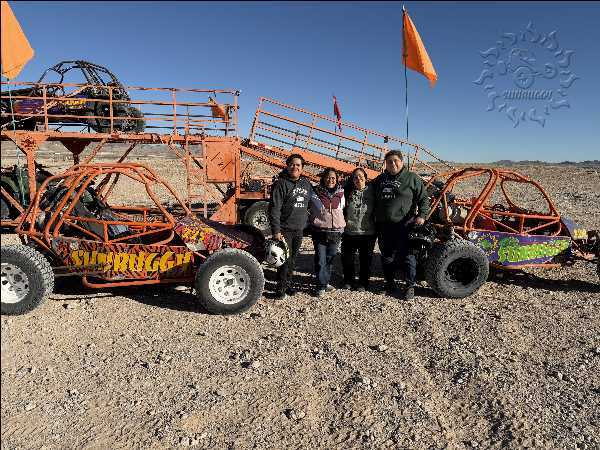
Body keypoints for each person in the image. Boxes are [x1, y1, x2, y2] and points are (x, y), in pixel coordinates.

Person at [372, 150, 430, 300]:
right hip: (384, 225)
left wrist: (422, 216)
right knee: (387, 256)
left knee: (408, 256)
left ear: (402, 162)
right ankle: (390, 283)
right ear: (386, 164)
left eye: (395, 161)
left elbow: (424, 199)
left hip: (405, 225)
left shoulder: (412, 178)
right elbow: (368, 191)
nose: (392, 164)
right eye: (389, 161)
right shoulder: (381, 178)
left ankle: (410, 286)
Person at [268, 153, 313, 300]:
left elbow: (312, 202)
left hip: (299, 229)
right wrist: (276, 230)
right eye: (292, 164)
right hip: (284, 230)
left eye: (298, 165)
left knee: (292, 259)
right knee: (284, 259)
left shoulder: (306, 184)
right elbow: (274, 208)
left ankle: (288, 285)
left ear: (302, 168)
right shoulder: (281, 184)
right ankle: (280, 288)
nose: (295, 167)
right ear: (287, 166)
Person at [308, 168, 346, 297]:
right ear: (323, 178)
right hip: (319, 231)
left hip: (336, 232)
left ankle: (326, 282)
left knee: (330, 258)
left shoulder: (341, 192)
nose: (330, 180)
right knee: (320, 259)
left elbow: (342, 209)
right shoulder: (315, 192)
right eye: (328, 177)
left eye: (333, 178)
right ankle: (321, 285)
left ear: (337, 179)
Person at [341, 167, 376, 292]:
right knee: (347, 259)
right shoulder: (347, 192)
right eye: (355, 177)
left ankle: (363, 282)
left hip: (367, 232)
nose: (358, 179)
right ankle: (348, 280)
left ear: (366, 178)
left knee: (365, 260)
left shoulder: (372, 191)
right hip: (349, 231)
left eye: (361, 176)